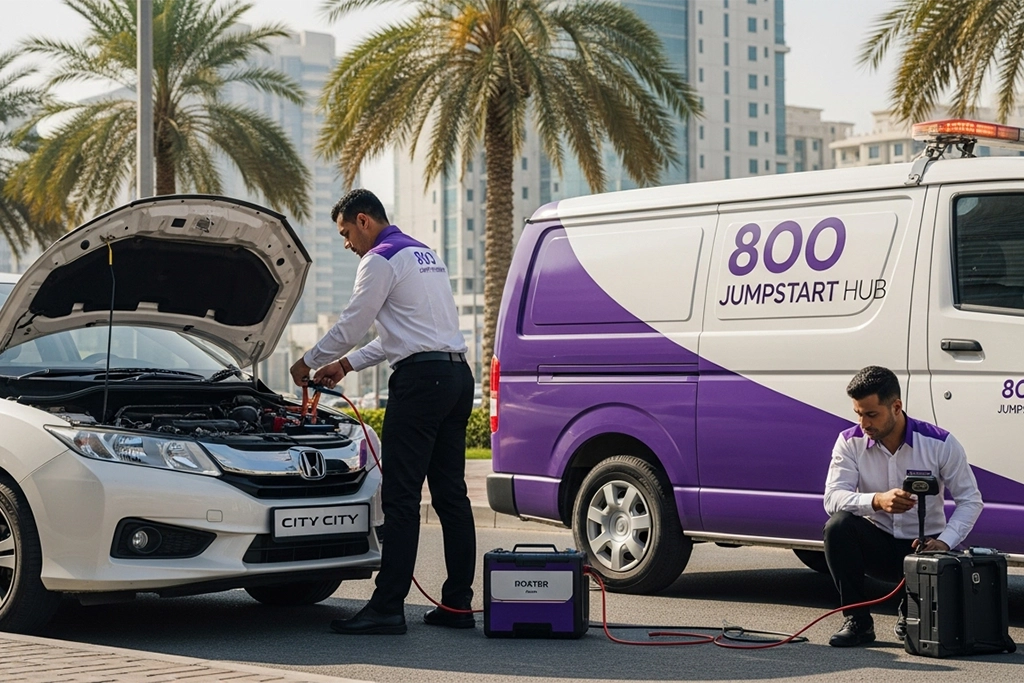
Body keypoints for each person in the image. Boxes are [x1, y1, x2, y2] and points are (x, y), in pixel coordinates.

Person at [289, 189, 476, 635]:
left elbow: (354, 323)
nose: (347, 243)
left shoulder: (378, 260)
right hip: (455, 378)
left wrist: (308, 361)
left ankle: (388, 607)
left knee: (401, 498)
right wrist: (345, 364)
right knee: (451, 495)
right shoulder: (423, 254)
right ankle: (457, 605)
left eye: (346, 233)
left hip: (420, 385)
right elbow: (407, 332)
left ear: (363, 220)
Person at [822, 365, 983, 648]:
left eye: (872, 414)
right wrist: (876, 501)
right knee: (838, 526)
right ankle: (857, 622)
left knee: (920, 633)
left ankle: (910, 612)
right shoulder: (849, 442)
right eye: (859, 414)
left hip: (925, 550)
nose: (864, 424)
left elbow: (971, 500)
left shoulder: (940, 443)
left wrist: (944, 543)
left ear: (896, 406)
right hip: (879, 545)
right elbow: (832, 498)